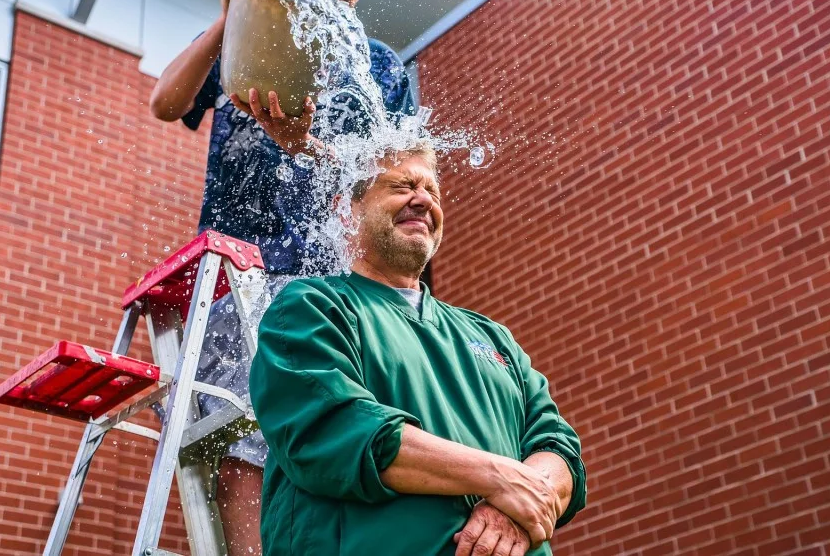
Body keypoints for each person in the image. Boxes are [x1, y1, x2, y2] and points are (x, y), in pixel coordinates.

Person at [148, 0, 416, 554]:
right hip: (239, 265)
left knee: (334, 429)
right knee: (243, 427)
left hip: (329, 273)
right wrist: (226, 19)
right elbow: (164, 101)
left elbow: (394, 172)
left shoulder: (378, 65)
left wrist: (309, 147)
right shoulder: (257, 22)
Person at [250, 145, 587, 556]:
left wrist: (510, 510)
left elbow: (558, 448)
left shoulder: (493, 336)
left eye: (433, 191)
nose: (424, 199)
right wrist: (498, 477)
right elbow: (334, 429)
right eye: (401, 186)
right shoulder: (313, 307)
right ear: (346, 212)